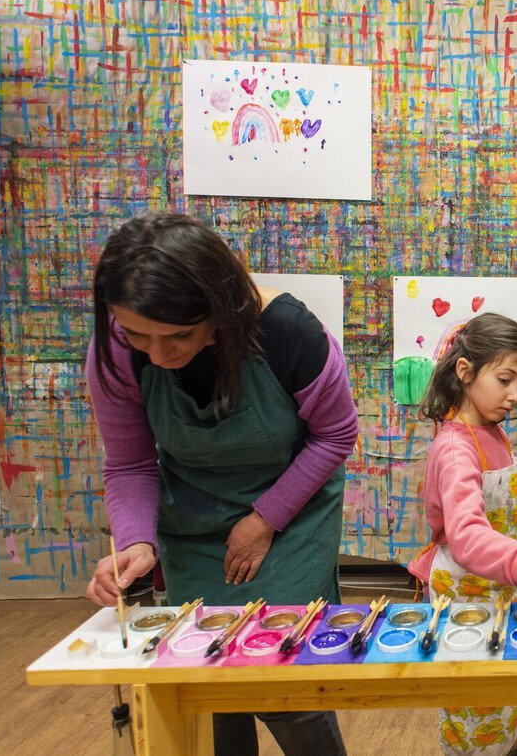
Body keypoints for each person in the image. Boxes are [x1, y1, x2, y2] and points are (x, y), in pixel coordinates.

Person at [83, 212, 355, 756]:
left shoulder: (288, 332)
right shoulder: (115, 351)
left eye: (179, 335)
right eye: (137, 334)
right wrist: (137, 542)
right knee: (205, 674)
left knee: (281, 673)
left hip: (293, 509)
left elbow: (335, 435)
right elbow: (131, 464)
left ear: (221, 305)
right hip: (194, 515)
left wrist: (265, 519)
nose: (157, 355)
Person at [409, 312, 517, 756]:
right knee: (474, 696)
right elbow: (466, 535)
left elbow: (498, 515)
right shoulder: (456, 448)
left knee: (506, 676)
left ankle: (510, 741)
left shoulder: (492, 431)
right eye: (504, 379)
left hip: (499, 583)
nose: (515, 395)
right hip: (465, 591)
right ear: (465, 371)